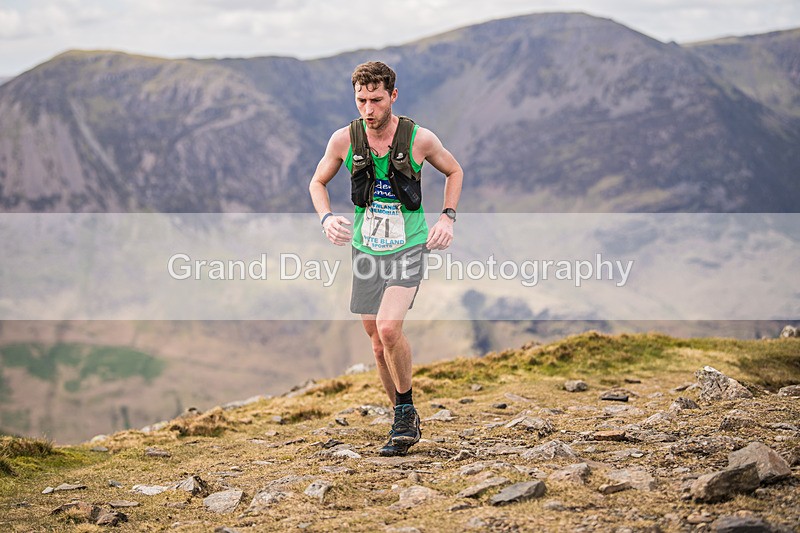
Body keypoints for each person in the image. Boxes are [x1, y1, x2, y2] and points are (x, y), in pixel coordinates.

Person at [309, 61, 463, 456]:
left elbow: (455, 171)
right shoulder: (344, 140)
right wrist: (326, 219)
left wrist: (447, 217)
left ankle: (406, 408)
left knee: (389, 328)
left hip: (408, 246)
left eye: (376, 99)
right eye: (361, 100)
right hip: (366, 250)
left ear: (393, 96)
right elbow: (317, 183)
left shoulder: (419, 139)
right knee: (377, 345)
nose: (368, 108)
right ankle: (403, 419)